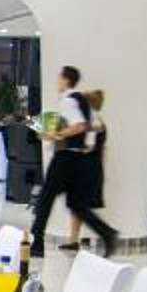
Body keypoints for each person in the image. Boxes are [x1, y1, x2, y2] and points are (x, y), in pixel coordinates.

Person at [28, 65, 120, 258]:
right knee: (76, 205)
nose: (57, 82)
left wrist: (57, 134)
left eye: (59, 78)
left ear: (65, 80)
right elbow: (95, 126)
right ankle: (107, 233)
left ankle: (37, 243)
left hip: (65, 159)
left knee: (46, 197)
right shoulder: (83, 101)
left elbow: (80, 126)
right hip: (80, 160)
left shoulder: (68, 100)